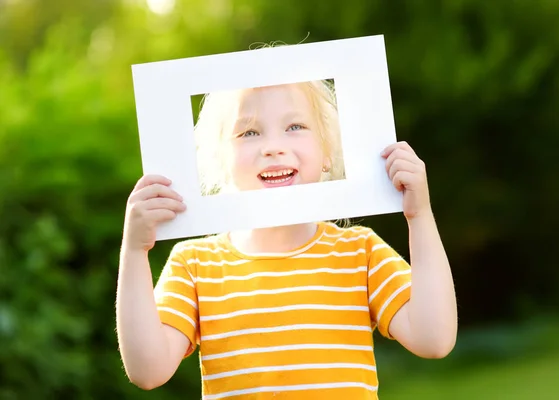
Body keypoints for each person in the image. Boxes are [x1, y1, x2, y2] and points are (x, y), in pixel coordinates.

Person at [115, 79, 458, 399]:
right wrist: (134, 250)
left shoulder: (360, 252)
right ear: (220, 161)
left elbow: (434, 339)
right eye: (249, 132)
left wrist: (419, 217)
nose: (273, 147)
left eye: (295, 126)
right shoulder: (194, 264)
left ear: (328, 151)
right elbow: (148, 371)